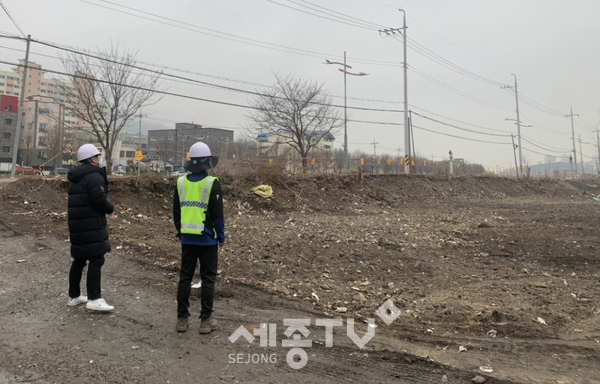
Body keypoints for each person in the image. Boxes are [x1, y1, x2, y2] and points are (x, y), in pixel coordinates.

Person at [173, 142, 225, 334]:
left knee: (185, 278)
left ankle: (182, 319)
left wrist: (182, 231)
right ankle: (205, 320)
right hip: (207, 240)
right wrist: (221, 236)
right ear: (207, 161)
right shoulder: (212, 183)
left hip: (187, 239)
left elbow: (176, 214)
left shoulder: (180, 183)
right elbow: (218, 215)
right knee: (208, 279)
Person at [67, 144, 115, 312]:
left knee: (79, 259)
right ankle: (94, 298)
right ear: (92, 159)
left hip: (77, 225)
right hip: (91, 225)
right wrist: (110, 208)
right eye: (98, 156)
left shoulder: (75, 178)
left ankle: (74, 296)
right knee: (96, 259)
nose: (99, 159)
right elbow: (99, 200)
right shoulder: (94, 176)